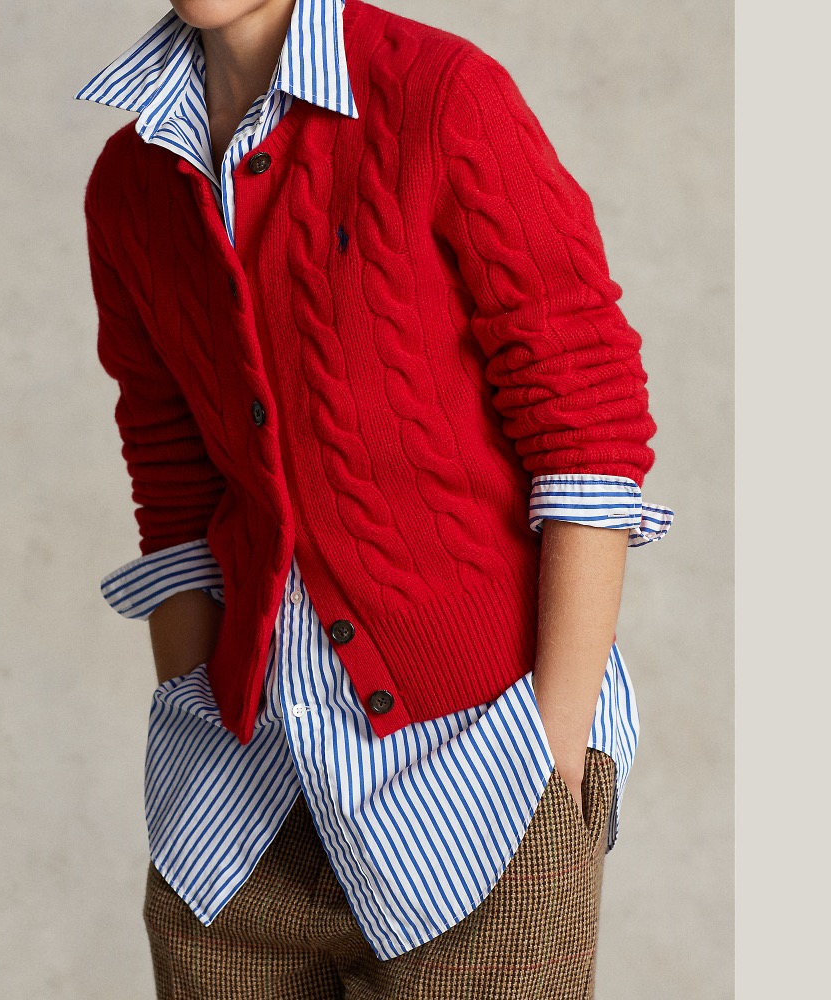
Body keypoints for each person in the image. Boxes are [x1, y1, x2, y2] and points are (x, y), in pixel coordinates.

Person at [77, 0, 674, 996]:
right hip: (241, 807)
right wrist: (190, 708)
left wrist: (552, 746)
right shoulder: (129, 181)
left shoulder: (440, 97)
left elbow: (586, 422)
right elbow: (171, 471)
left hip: (481, 776)